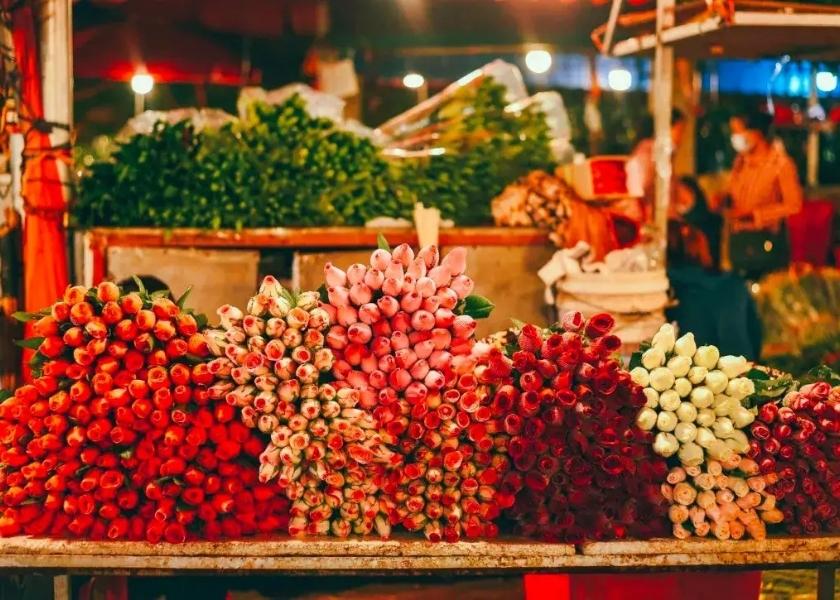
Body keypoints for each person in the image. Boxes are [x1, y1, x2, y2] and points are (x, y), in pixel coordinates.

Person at [718, 108, 803, 280]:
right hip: (738, 241)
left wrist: (756, 215)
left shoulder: (780, 164)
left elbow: (794, 206)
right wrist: (724, 200)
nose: (735, 137)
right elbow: (734, 193)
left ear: (756, 133)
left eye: (738, 131)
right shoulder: (740, 162)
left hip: (766, 244)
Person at [626, 109, 687, 222]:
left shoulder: (664, 156)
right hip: (652, 225)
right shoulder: (648, 153)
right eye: (680, 130)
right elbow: (638, 191)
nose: (681, 137)